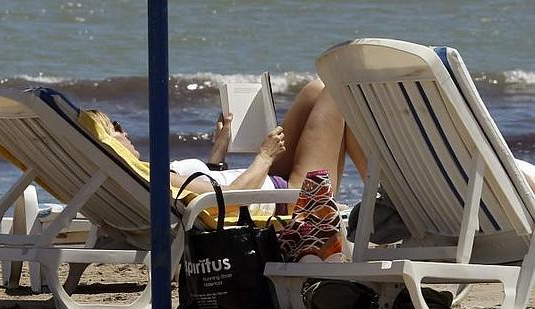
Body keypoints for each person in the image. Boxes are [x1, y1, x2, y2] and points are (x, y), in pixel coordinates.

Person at [98, 79, 535, 213]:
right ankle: (399, 193)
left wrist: (218, 151)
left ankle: (393, 188)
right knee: (337, 93)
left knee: (312, 89)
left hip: (263, 182)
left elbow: (205, 184)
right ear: (110, 146)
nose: (125, 131)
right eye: (115, 130)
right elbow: (220, 200)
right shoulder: (149, 174)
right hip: (282, 200)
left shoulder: (147, 172)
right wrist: (265, 154)